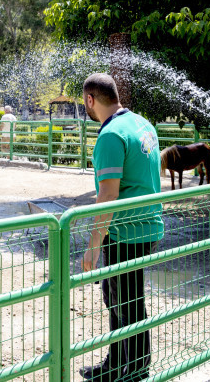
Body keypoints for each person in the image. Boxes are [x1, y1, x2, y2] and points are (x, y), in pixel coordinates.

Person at [79, 73, 163, 382]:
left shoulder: (111, 135)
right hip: (147, 225)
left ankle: (137, 371)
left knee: (127, 303)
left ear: (91, 100)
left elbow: (109, 194)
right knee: (117, 297)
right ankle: (115, 365)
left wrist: (93, 245)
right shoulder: (143, 124)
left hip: (126, 232)